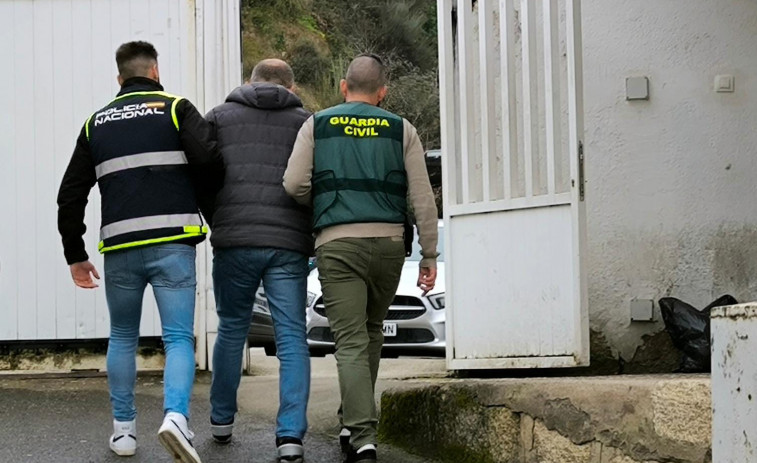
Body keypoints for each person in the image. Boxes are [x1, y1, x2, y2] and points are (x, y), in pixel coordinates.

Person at [56, 41, 223, 463]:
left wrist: (74, 253)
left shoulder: (97, 122)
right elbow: (210, 162)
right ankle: (176, 419)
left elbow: (70, 193)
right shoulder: (176, 107)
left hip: (121, 248)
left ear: (119, 79)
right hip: (172, 241)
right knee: (179, 337)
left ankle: (124, 433)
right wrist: (202, 205)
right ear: (155, 71)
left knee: (123, 336)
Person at [283, 54, 438, 463]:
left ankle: (362, 436)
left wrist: (328, 202)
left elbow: (294, 183)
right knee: (370, 334)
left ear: (342, 86)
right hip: (389, 246)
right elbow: (422, 198)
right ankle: (353, 421)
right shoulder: (401, 129)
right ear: (383, 93)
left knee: (350, 340)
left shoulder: (316, 125)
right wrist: (429, 254)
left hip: (338, 244)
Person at [205, 59, 313, 463]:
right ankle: (289, 437)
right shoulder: (307, 122)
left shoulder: (218, 117)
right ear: (291, 85)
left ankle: (221, 421)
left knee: (232, 328)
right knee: (290, 336)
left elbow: (203, 173)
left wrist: (217, 216)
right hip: (287, 241)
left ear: (249, 82)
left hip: (235, 238)